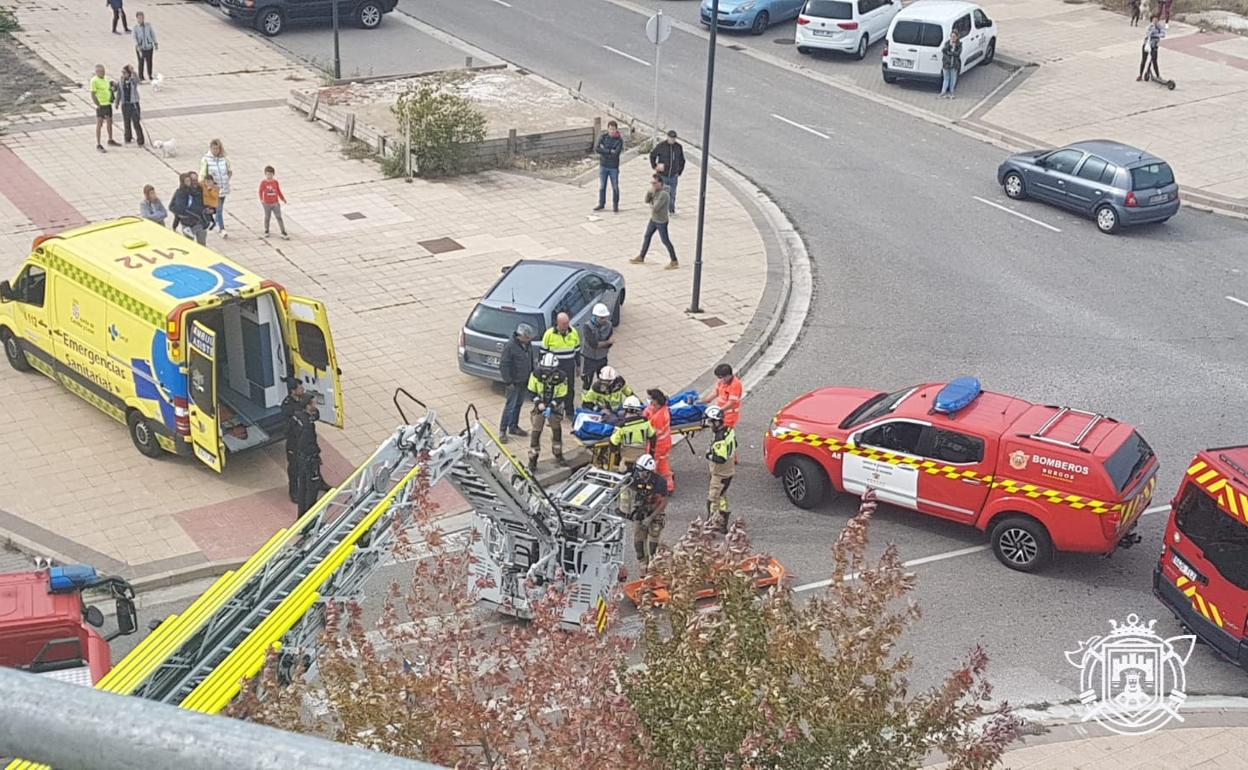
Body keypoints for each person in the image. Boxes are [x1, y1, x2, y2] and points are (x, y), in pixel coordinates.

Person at [527, 352, 569, 472]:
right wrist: (538, 403)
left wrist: (551, 406)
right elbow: (531, 391)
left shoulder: (561, 377)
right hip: (539, 406)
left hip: (554, 408)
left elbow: (562, 394)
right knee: (535, 433)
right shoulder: (535, 374)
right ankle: (533, 460)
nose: (547, 372)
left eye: (550, 370)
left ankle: (558, 455)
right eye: (545, 369)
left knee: (557, 431)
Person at [625, 453, 669, 568]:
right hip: (640, 511)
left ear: (649, 471)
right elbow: (629, 492)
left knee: (653, 540)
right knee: (638, 541)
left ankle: (654, 564)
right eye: (638, 470)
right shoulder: (635, 478)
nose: (639, 474)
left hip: (655, 512)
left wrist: (650, 518)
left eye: (642, 471)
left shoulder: (660, 482)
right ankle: (642, 564)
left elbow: (663, 502)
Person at [294, 394, 332, 515]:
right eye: (314, 404)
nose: (316, 405)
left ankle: (301, 515)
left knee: (303, 486)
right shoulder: (307, 426)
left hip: (301, 457)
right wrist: (315, 454)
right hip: (309, 459)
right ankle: (310, 516)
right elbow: (306, 443)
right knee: (312, 488)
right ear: (308, 405)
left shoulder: (297, 416)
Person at [629, 175, 678, 269]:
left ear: (660, 183)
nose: (653, 185)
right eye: (652, 183)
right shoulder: (655, 191)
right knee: (647, 236)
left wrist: (652, 202)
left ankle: (674, 260)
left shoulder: (664, 194)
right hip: (653, 219)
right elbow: (646, 201)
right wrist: (649, 193)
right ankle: (641, 256)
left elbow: (655, 208)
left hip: (661, 221)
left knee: (665, 240)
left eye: (655, 183)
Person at [498, 323, 535, 443]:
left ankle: (513, 427)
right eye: (527, 337)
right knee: (510, 406)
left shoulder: (528, 345)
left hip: (524, 380)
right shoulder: (510, 346)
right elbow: (504, 365)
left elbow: (530, 359)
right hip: (513, 383)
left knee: (518, 404)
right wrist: (508, 381)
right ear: (521, 336)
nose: (530, 340)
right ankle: (502, 431)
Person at [705, 405, 737, 534]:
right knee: (722, 497)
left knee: (712, 501)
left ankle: (711, 525)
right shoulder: (729, 431)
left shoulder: (719, 439)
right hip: (729, 471)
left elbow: (721, 458)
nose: (709, 425)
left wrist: (709, 455)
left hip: (720, 474)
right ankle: (722, 525)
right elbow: (735, 444)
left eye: (710, 422)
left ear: (716, 422)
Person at [541, 312, 580, 414]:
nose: (566, 325)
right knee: (554, 390)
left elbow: (577, 350)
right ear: (558, 323)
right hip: (555, 368)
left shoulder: (573, 332)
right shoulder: (549, 334)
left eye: (567, 323)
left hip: (569, 366)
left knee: (570, 388)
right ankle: (554, 412)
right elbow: (542, 352)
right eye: (563, 323)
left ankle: (569, 410)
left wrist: (578, 365)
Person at [608, 395, 657, 471]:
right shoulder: (645, 422)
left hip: (626, 458)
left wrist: (616, 455)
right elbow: (653, 437)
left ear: (625, 410)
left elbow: (613, 442)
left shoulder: (621, 426)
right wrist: (652, 452)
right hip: (642, 457)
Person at [643, 388, 675, 493]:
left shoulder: (658, 417)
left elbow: (653, 433)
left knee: (654, 466)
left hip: (658, 445)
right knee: (663, 463)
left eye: (651, 400)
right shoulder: (664, 409)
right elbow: (649, 411)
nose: (649, 402)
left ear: (655, 402)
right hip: (665, 442)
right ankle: (669, 485)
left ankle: (654, 487)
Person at [200, 139, 233, 237]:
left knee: (220, 207)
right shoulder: (206, 160)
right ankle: (221, 229)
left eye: (217, 148)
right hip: (214, 190)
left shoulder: (224, 159)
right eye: (214, 148)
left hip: (224, 188)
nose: (216, 150)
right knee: (219, 209)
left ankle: (217, 221)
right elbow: (203, 175)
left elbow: (229, 171)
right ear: (210, 148)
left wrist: (226, 179)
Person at [281, 378, 307, 503]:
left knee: (312, 462)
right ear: (293, 391)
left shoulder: (303, 400)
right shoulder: (287, 406)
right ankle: (294, 491)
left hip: (305, 439)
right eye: (300, 388)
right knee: (294, 467)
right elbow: (288, 427)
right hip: (294, 442)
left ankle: (318, 482)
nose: (303, 389)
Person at [648, 130, 686, 214]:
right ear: (667, 137)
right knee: (661, 193)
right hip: (663, 175)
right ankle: (658, 208)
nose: (672, 140)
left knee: (672, 193)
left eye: (674, 138)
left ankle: (671, 209)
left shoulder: (678, 147)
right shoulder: (661, 146)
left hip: (673, 175)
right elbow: (652, 155)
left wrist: (679, 171)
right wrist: (654, 166)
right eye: (670, 138)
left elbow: (682, 160)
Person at [579, 303, 614, 390]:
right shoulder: (587, 327)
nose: (604, 320)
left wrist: (607, 343)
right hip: (589, 358)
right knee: (587, 380)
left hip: (602, 357)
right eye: (602, 318)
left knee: (603, 380)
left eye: (605, 317)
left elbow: (610, 342)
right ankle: (586, 400)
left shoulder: (609, 325)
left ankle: (601, 398)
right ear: (595, 317)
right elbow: (594, 344)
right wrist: (607, 342)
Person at [169, 171, 207, 245]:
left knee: (202, 244)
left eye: (196, 180)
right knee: (189, 245)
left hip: (199, 222)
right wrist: (180, 214)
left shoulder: (200, 190)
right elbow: (172, 207)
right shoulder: (180, 192)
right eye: (192, 180)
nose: (195, 182)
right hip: (186, 223)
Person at [593, 120, 624, 212]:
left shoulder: (619, 140)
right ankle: (601, 203)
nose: (612, 131)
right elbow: (597, 148)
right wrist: (609, 151)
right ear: (608, 129)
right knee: (602, 186)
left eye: (613, 129)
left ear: (616, 129)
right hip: (603, 165)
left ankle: (615, 205)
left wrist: (604, 150)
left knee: (615, 186)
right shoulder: (603, 137)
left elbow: (616, 153)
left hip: (613, 166)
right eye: (610, 129)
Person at [701, 363, 743, 429]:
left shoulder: (735, 385)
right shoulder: (721, 381)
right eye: (719, 377)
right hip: (721, 413)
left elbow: (731, 403)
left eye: (722, 377)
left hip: (730, 415)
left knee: (725, 433)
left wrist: (719, 410)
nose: (721, 380)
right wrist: (705, 400)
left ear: (728, 375)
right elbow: (716, 392)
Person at [90, 65, 120, 153]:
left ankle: (110, 139)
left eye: (103, 71)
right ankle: (98, 143)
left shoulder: (106, 79)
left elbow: (109, 89)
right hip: (101, 104)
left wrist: (114, 88)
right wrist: (97, 104)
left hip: (108, 103)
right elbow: (93, 94)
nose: (103, 73)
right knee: (99, 123)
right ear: (97, 72)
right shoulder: (94, 81)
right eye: (100, 71)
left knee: (110, 121)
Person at [258, 165, 289, 239]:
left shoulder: (275, 182)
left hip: (275, 203)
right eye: (267, 174)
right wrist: (261, 199)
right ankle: (266, 230)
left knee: (279, 217)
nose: (269, 176)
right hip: (267, 203)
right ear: (265, 174)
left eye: (271, 174)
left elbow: (278, 191)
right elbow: (260, 191)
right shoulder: (263, 183)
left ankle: (283, 231)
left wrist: (282, 198)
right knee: (267, 217)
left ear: (273, 174)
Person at [117, 65, 144, 147]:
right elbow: (119, 91)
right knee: (126, 122)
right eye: (122, 73)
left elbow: (138, 81)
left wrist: (133, 72)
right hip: (125, 104)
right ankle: (127, 137)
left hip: (133, 104)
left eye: (125, 72)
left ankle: (140, 140)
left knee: (136, 122)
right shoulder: (121, 80)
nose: (123, 74)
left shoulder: (132, 81)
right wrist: (117, 102)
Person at [1139, 16, 1165, 81]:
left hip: (1154, 46)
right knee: (1143, 60)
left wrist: (1155, 34)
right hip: (1147, 45)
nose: (1155, 22)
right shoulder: (1149, 27)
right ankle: (1140, 75)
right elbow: (1148, 34)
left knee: (1154, 60)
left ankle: (1158, 75)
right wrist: (1155, 32)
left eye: (1157, 20)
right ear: (1151, 21)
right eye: (1154, 20)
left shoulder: (1160, 27)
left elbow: (1163, 34)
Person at [133, 11, 157, 80]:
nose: (141, 19)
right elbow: (134, 37)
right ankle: (141, 76)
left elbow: (152, 34)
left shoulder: (148, 25)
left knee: (149, 62)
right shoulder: (135, 27)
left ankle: (150, 75)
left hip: (149, 46)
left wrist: (155, 43)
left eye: (142, 17)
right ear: (137, 18)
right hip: (141, 47)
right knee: (141, 62)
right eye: (140, 18)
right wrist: (137, 46)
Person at [939, 30, 962, 99]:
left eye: (954, 37)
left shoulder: (959, 45)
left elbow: (957, 53)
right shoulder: (947, 43)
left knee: (953, 79)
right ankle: (943, 92)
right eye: (952, 36)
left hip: (954, 64)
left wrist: (950, 53)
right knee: (946, 78)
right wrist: (949, 46)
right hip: (946, 64)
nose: (953, 38)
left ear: (957, 37)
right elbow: (943, 50)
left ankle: (951, 92)